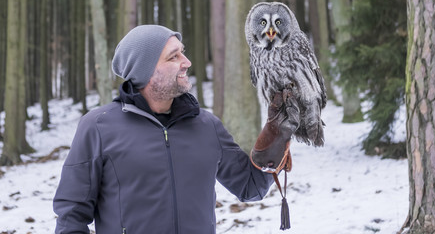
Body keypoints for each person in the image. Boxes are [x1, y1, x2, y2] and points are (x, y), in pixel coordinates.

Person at [53, 25, 286, 234]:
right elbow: (71, 215)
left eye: (182, 52)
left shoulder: (207, 126)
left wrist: (278, 133)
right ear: (145, 71)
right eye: (173, 57)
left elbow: (250, 187)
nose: (187, 62)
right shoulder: (98, 127)